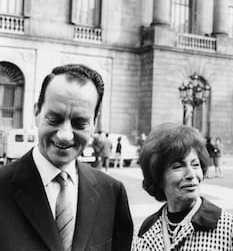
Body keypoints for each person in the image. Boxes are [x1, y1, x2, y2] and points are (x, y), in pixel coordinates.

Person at [0, 64, 133, 251]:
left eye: (80, 123)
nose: (65, 135)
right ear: (37, 113)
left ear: (94, 123)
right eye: (54, 119)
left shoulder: (112, 193)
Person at [131, 123, 233, 251]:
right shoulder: (143, 234)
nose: (191, 174)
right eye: (178, 166)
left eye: (195, 164)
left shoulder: (229, 227)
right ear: (158, 177)